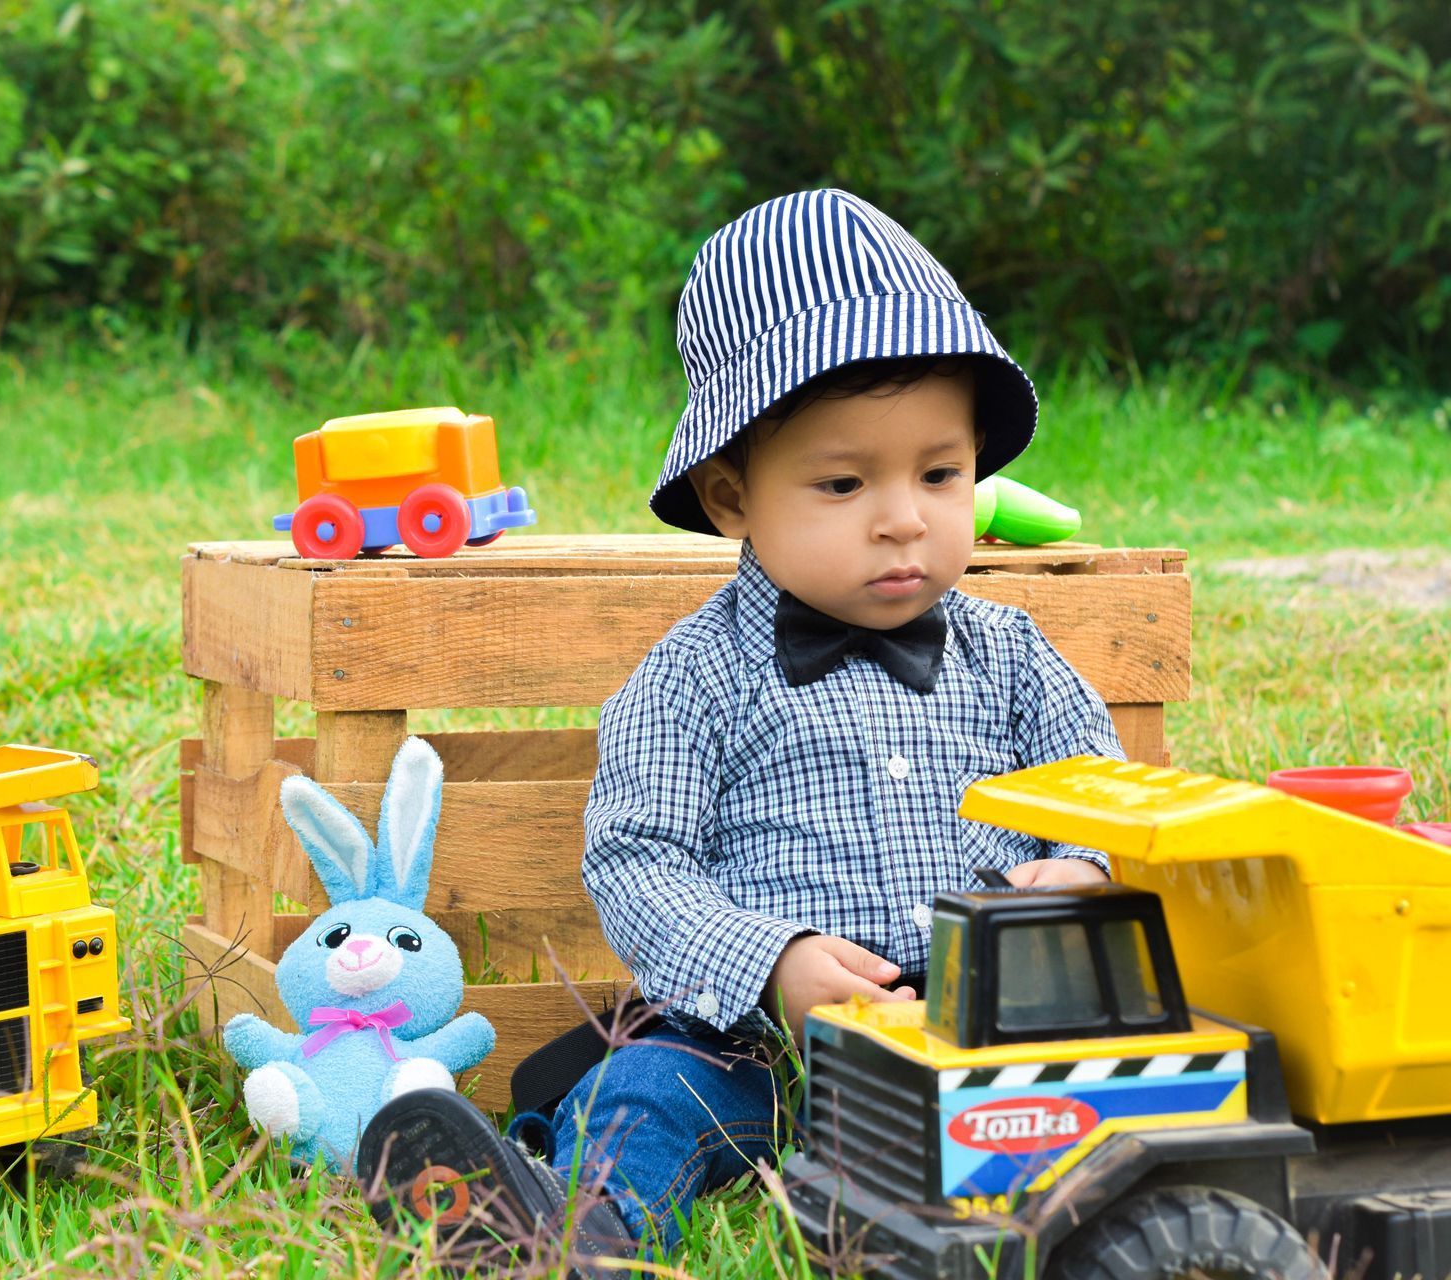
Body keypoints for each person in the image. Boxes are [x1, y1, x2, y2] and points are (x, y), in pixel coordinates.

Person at [356, 189, 1123, 1273]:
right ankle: (575, 1229)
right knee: (645, 1088)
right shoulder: (695, 676)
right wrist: (776, 961)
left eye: (940, 474)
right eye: (845, 481)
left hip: (992, 1028)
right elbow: (637, 860)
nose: (904, 515)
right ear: (731, 496)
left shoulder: (1014, 656)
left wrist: (1083, 870)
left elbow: (1102, 794)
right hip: (760, 1044)